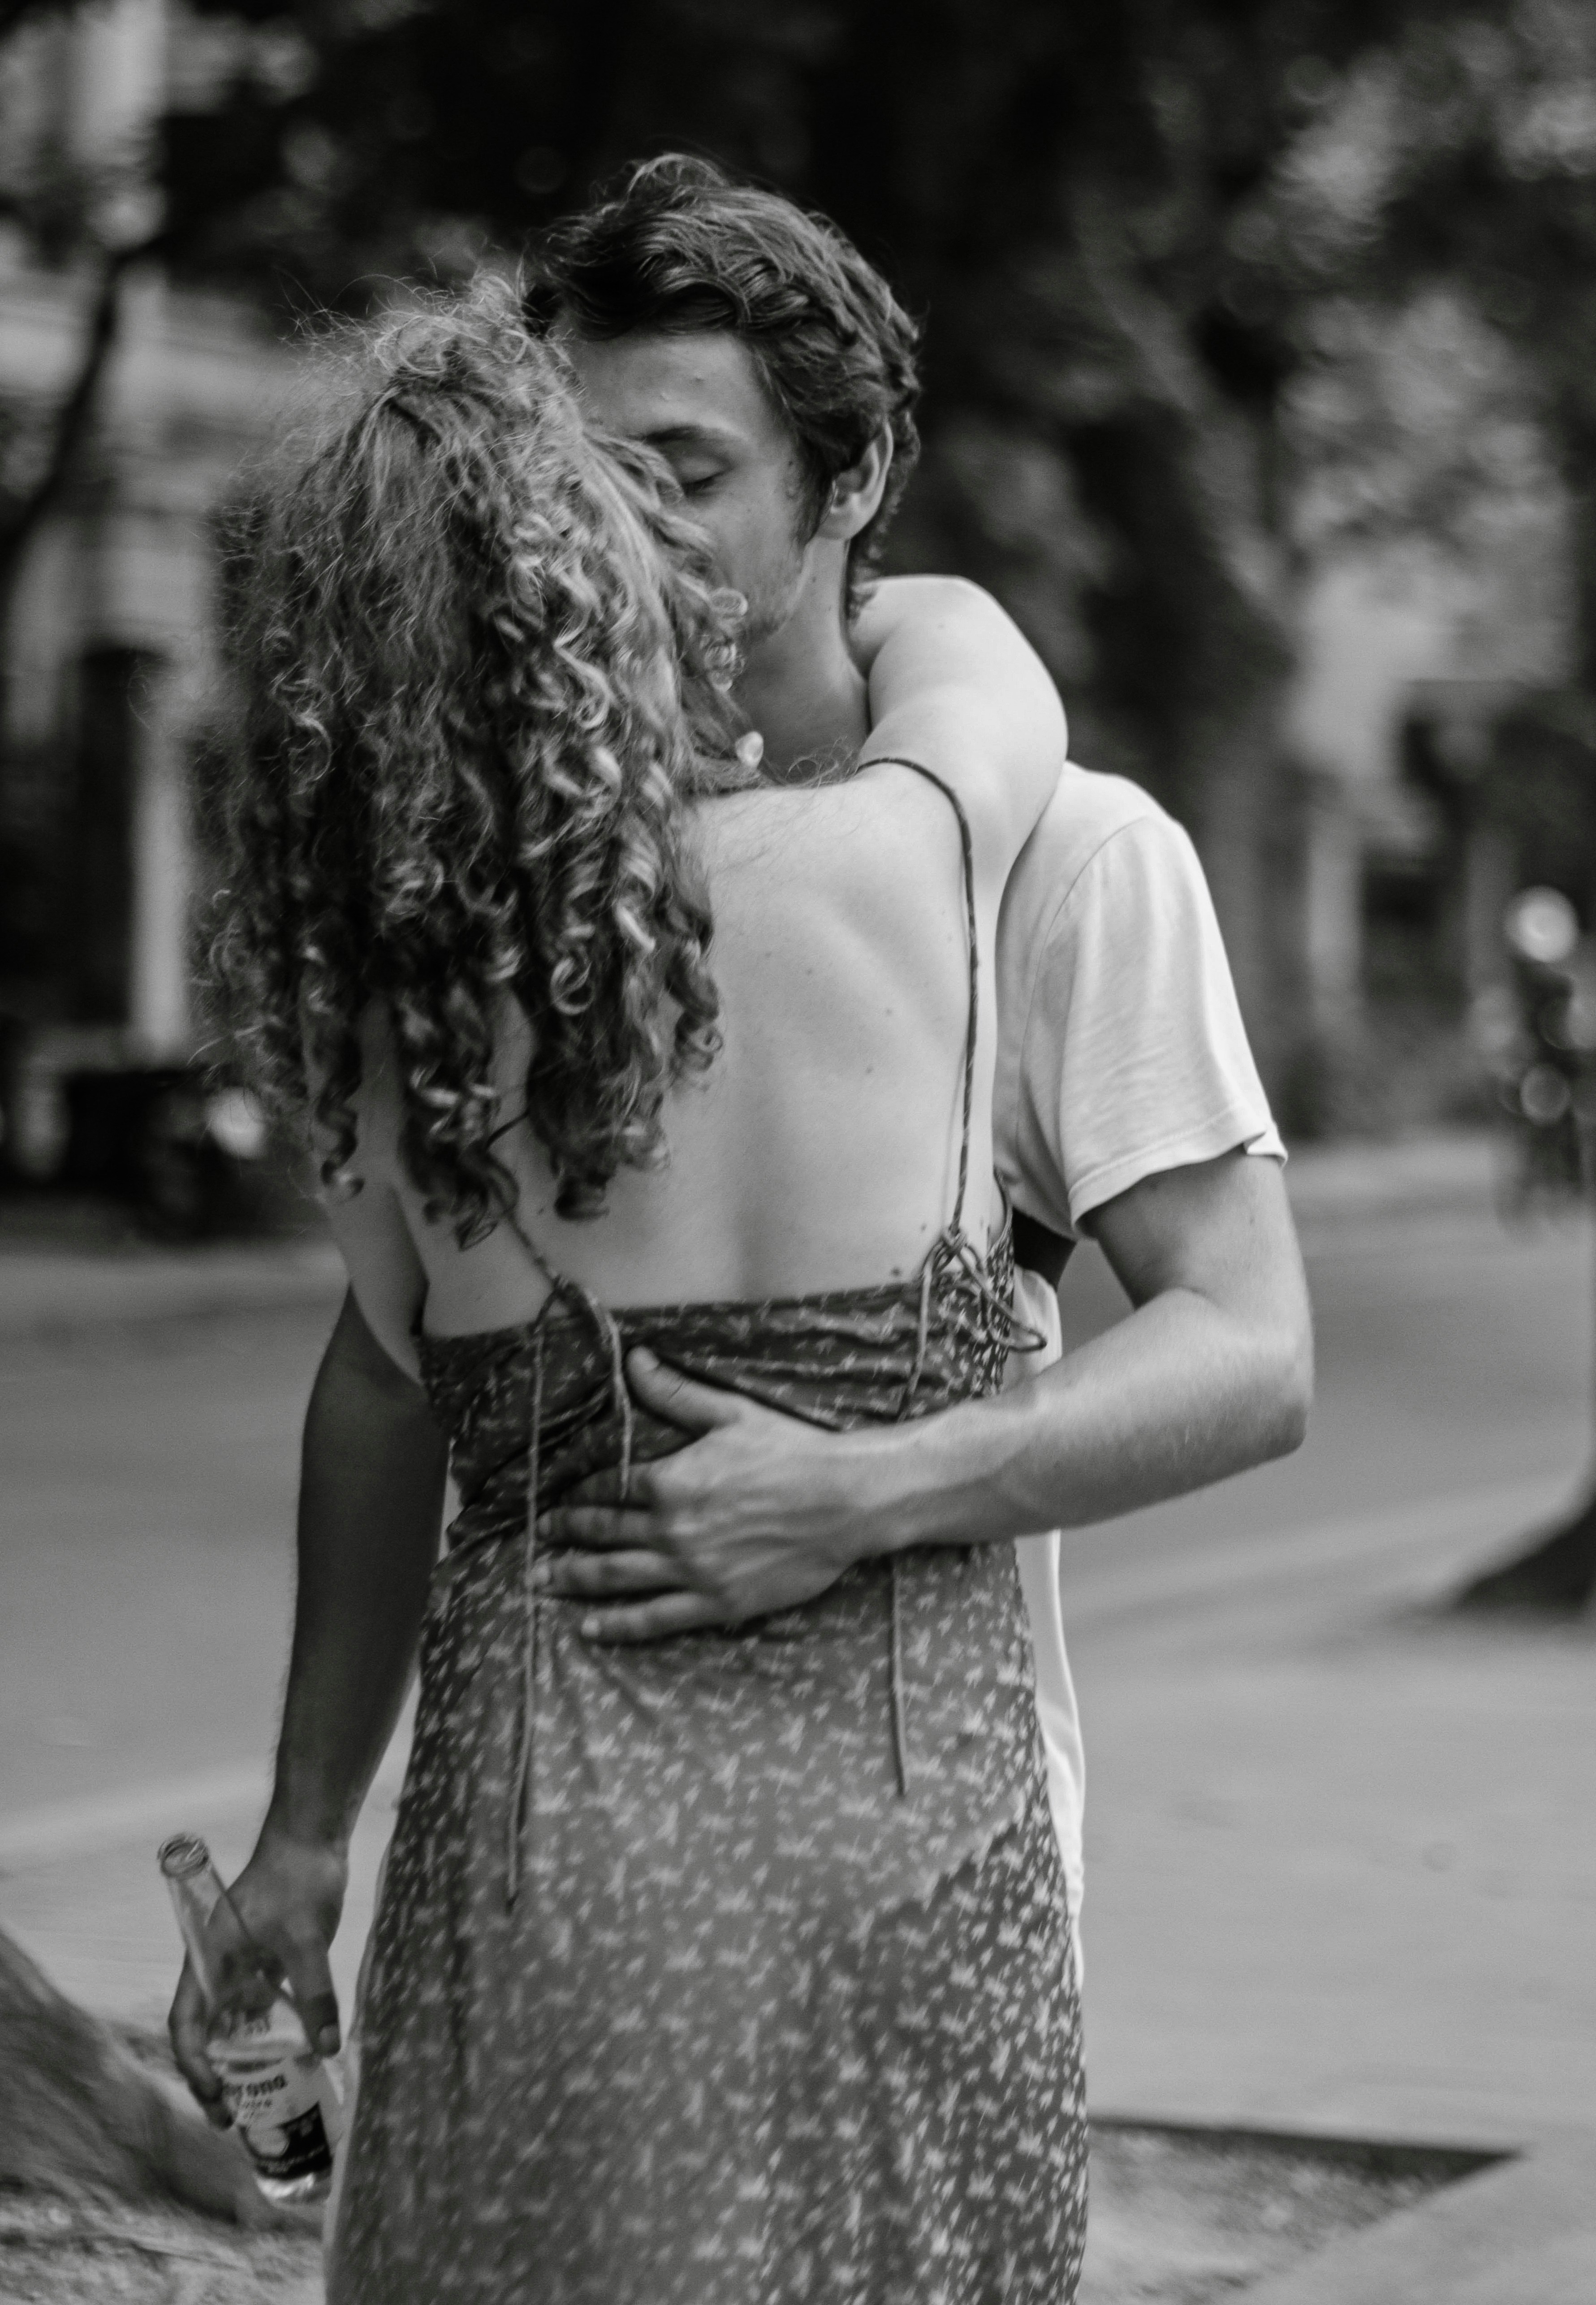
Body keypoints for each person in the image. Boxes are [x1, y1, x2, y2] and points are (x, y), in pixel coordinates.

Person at [176, 275, 1092, 2302]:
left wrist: (305, 1834)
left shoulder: (384, 1047)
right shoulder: (890, 865)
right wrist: (877, 577)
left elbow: (387, 1383)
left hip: (542, 1869)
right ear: (597, 583)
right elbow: (974, 663)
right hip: (908, 1845)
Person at [520, 159, 1312, 1939]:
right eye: (579, 476)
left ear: (854, 473)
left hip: (916, 1882)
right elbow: (392, 1365)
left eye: (689, 470)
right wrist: (308, 1832)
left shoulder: (1076, 864)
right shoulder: (523, 866)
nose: (620, 530)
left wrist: (858, 1492)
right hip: (550, 1860)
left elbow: (1253, 1349)